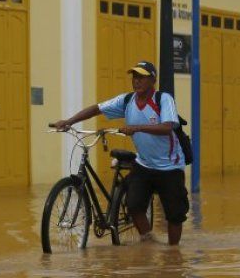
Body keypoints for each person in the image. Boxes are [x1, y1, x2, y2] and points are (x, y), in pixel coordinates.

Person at [52, 60, 189, 245]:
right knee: (133, 205)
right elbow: (97, 108)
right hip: (144, 164)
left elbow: (167, 127)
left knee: (175, 215)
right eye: (134, 77)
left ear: (152, 80)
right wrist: (69, 121)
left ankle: (173, 255)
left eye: (141, 77)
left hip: (170, 166)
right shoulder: (127, 101)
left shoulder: (163, 99)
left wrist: (137, 127)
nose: (136, 81)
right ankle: (148, 242)